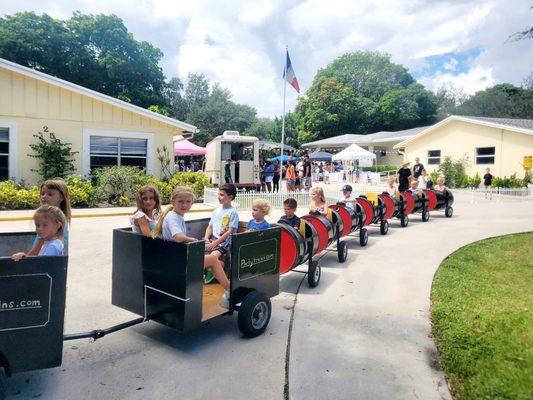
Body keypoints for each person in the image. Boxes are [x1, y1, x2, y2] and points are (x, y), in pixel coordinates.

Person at [153, 186, 231, 308]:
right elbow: (178, 237)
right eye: (180, 201)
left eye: (188, 202)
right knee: (214, 260)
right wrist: (193, 240)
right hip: (178, 260)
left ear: (192, 203)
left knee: (217, 262)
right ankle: (229, 290)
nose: (184, 205)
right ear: (172, 201)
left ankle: (212, 286)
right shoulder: (173, 217)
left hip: (175, 256)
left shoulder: (176, 215)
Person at [203, 183, 238, 306]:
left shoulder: (232, 212)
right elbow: (210, 226)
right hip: (213, 240)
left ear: (230, 197)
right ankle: (215, 270)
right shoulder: (216, 211)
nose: (219, 197)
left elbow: (230, 231)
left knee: (213, 257)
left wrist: (215, 243)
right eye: (219, 194)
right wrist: (206, 238)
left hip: (223, 242)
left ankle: (222, 281)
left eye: (222, 195)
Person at [27, 179, 72, 256]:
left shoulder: (59, 219)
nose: (44, 197)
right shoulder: (45, 216)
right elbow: (39, 244)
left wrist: (29, 259)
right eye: (43, 193)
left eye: (50, 194)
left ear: (61, 197)